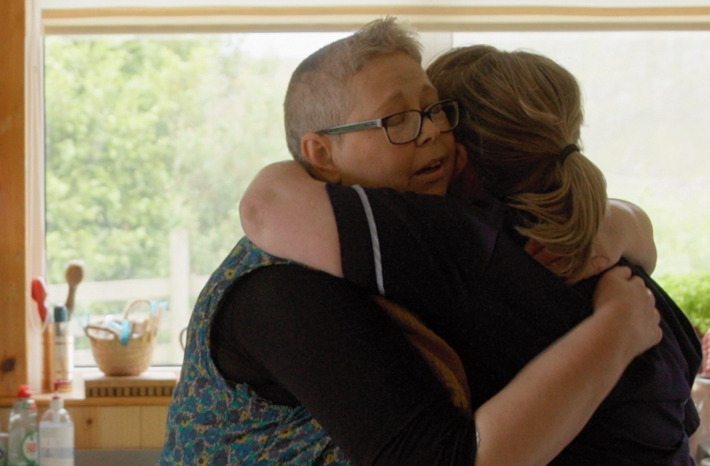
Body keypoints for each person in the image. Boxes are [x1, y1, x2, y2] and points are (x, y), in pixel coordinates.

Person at [159, 19, 665, 465]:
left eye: (436, 110)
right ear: (322, 153)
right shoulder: (282, 288)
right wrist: (617, 330)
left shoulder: (423, 235)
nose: (431, 134)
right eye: (396, 119)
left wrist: (617, 225)